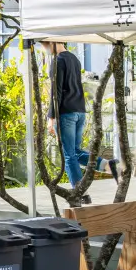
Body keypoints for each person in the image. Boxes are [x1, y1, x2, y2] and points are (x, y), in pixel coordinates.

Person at [44, 41, 88, 184]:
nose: (45, 49)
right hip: (80, 110)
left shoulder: (58, 61)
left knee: (69, 155)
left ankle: (78, 192)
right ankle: (106, 164)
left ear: (52, 42)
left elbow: (55, 93)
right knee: (75, 152)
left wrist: (51, 117)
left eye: (44, 45)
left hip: (66, 113)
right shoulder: (75, 59)